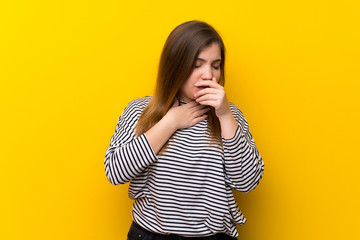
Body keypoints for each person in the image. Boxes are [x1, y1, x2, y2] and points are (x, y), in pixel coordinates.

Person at [104, 20, 265, 240]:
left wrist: (225, 116)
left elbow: (248, 181)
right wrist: (170, 122)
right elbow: (115, 172)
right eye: (196, 64)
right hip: (153, 235)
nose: (208, 75)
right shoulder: (141, 110)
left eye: (215, 65)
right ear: (175, 65)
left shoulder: (230, 115)